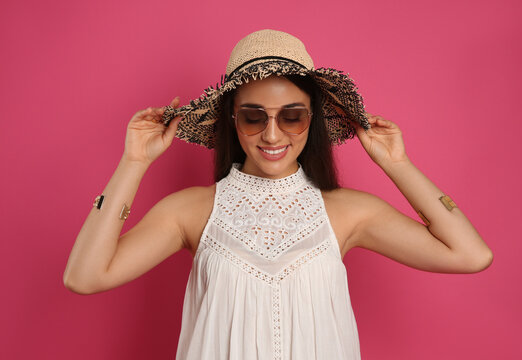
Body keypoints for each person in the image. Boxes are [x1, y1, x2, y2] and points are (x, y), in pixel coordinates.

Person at [63, 29, 493, 360]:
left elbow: (469, 254)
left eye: (292, 116)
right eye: (254, 116)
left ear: (313, 119)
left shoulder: (347, 211)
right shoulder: (192, 209)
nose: (272, 134)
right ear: (232, 120)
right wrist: (133, 164)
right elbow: (85, 276)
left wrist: (398, 166)